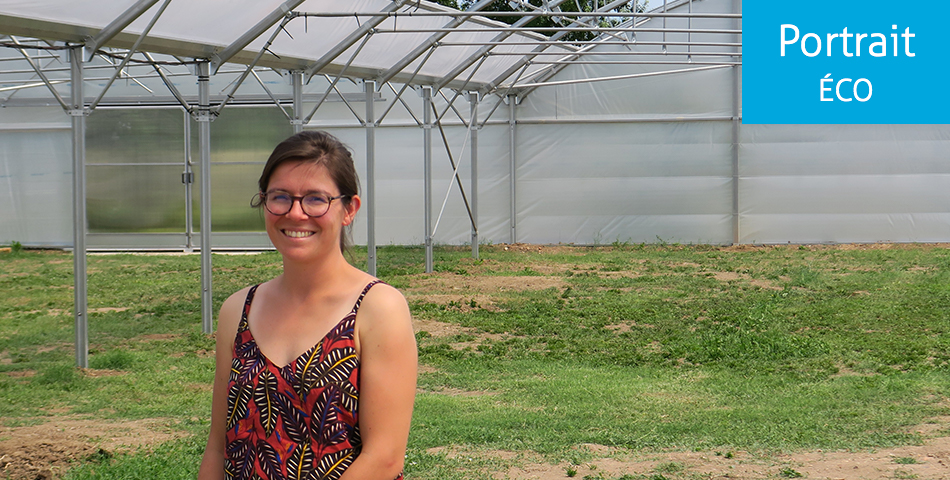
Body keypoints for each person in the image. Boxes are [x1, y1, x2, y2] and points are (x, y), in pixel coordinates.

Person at [198, 131, 417, 480]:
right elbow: (219, 445)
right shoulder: (238, 310)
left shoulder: (377, 309)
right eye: (280, 197)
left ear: (349, 209)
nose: (296, 213)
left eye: (316, 199)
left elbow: (385, 457)